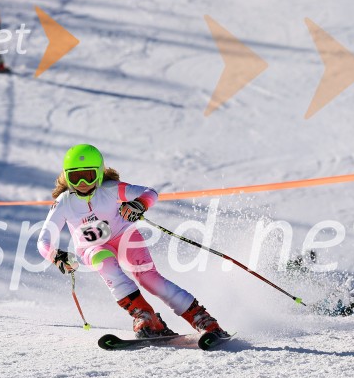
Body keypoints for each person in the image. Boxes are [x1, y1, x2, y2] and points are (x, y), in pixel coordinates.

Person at [37, 144, 229, 340]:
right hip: (92, 248)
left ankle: (201, 318)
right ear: (67, 177)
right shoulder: (64, 203)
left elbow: (150, 192)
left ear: (100, 174)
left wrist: (140, 203)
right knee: (106, 265)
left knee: (149, 279)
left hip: (125, 238)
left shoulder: (111, 190)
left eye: (89, 175)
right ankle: (144, 315)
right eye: (75, 177)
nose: (83, 183)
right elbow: (43, 240)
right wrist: (56, 256)